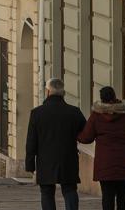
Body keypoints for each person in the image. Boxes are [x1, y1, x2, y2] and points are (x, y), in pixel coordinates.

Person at [76, 86, 125, 210]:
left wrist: (75, 135)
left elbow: (86, 138)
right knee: (123, 194)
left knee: (107, 196)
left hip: (105, 163)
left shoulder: (97, 115)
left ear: (102, 99)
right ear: (114, 96)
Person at [25, 78, 87, 210]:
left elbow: (31, 140)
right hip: (68, 157)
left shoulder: (37, 113)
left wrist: (30, 163)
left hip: (45, 159)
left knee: (47, 192)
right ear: (63, 93)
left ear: (48, 92)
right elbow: (85, 133)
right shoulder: (74, 112)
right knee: (69, 189)